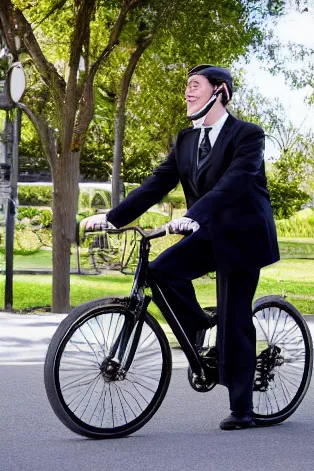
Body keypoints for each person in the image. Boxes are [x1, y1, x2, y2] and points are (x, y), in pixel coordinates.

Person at [84, 64, 280, 429]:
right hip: (205, 230)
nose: (188, 92)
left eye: (195, 85)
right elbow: (156, 184)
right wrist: (113, 218)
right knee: (161, 272)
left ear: (219, 91)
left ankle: (243, 409)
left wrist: (194, 214)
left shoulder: (247, 135)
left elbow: (234, 183)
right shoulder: (186, 139)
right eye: (187, 87)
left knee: (235, 317)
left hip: (243, 235)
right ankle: (200, 325)